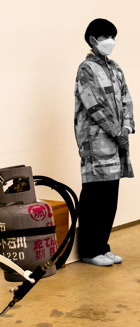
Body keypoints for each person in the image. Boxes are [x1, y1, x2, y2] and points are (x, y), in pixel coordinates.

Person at [74, 18, 134, 266]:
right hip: (96, 142)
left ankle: (102, 246)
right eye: (106, 37)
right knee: (94, 196)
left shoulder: (115, 68)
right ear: (93, 40)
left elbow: (126, 99)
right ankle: (89, 251)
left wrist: (127, 126)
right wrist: (116, 131)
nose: (111, 41)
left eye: (113, 37)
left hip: (117, 141)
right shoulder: (86, 69)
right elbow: (94, 105)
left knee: (110, 196)